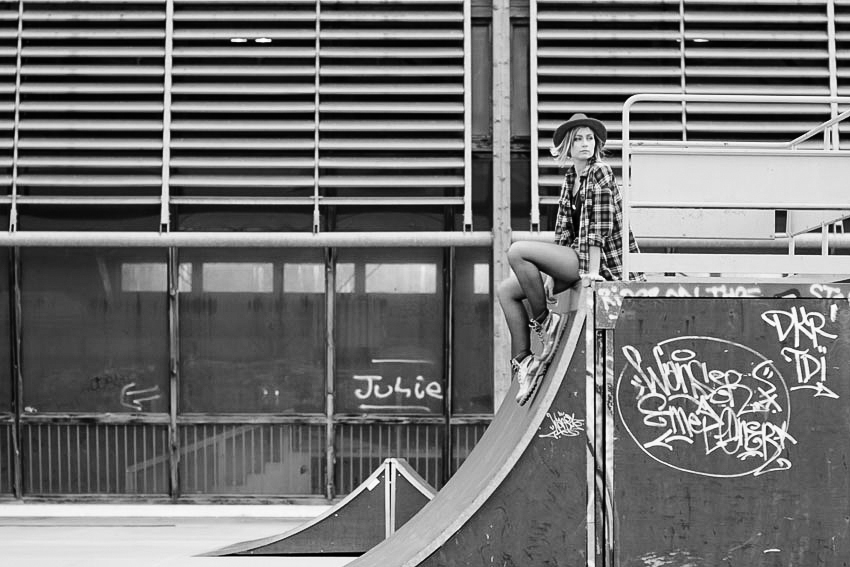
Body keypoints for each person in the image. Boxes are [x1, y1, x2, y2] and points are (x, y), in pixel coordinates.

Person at [497, 113, 643, 406]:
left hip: (599, 264)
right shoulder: (570, 178)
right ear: (567, 145)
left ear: (597, 144)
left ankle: (544, 322)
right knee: (507, 292)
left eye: (590, 138)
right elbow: (563, 234)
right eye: (578, 139)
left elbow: (599, 229)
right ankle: (524, 360)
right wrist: (551, 277)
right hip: (574, 258)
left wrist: (590, 273)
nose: (585, 144)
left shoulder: (600, 172)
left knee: (517, 251)